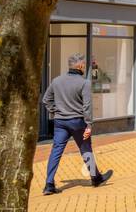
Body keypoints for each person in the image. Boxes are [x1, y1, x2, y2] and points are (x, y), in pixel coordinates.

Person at [41, 53, 112, 195]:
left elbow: (46, 100)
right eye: (84, 65)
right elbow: (87, 107)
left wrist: (55, 111)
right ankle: (95, 178)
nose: (85, 67)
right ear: (79, 66)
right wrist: (89, 125)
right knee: (86, 149)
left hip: (60, 122)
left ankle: (49, 184)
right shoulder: (84, 83)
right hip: (78, 122)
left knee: (56, 151)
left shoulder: (57, 81)